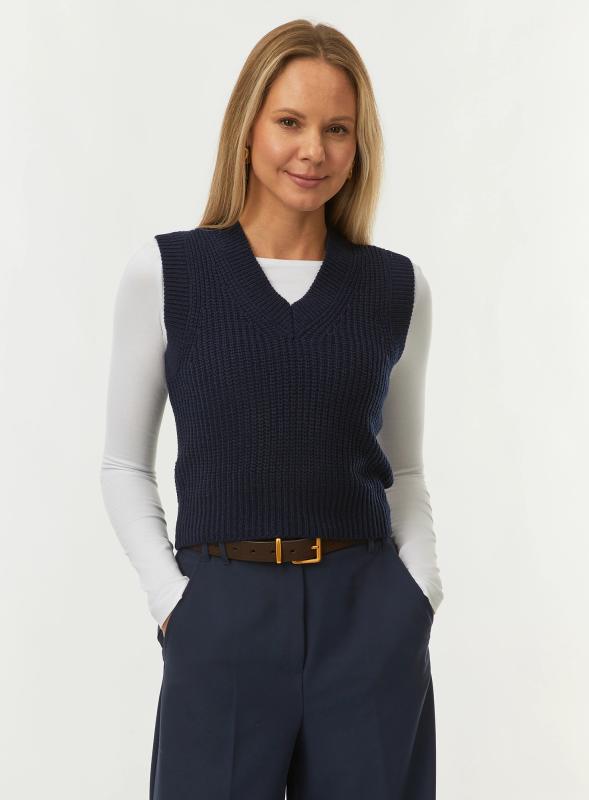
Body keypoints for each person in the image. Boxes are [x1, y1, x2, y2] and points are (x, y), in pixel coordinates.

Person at [100, 18, 444, 800]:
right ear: (247, 128)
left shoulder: (395, 288)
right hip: (220, 612)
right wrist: (173, 602)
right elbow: (122, 465)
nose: (312, 150)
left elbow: (405, 469)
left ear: (359, 144)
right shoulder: (168, 273)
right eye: (290, 121)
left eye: (337, 129)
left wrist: (417, 591)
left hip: (366, 616)